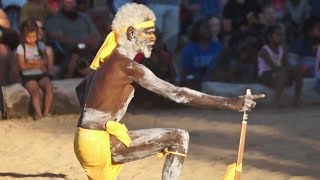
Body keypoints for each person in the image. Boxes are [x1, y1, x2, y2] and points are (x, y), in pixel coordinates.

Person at [73, 3, 264, 180]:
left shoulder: (109, 62)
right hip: (97, 144)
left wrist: (93, 124)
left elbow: (81, 89)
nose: (153, 38)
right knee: (178, 137)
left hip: (87, 141)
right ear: (131, 34)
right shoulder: (127, 66)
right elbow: (177, 93)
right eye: (148, 32)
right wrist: (230, 103)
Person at [44, 0, 101, 78]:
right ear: (60, 4)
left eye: (74, 2)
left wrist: (93, 41)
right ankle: (70, 75)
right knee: (77, 52)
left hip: (89, 48)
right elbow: (58, 39)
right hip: (68, 52)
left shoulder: (84, 17)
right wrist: (83, 41)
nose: (73, 5)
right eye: (69, 2)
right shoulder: (54, 20)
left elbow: (96, 34)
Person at [16, 19, 53, 119]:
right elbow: (22, 66)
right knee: (34, 90)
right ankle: (39, 115)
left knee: (49, 86)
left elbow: (46, 60)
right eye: (28, 37)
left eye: (34, 37)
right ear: (23, 36)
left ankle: (46, 113)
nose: (31, 39)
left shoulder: (40, 45)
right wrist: (38, 64)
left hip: (41, 74)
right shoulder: (21, 48)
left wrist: (31, 62)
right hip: (28, 76)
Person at [258, 25, 303, 107]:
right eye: (278, 34)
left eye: (282, 35)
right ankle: (276, 102)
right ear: (270, 37)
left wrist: (294, 70)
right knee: (282, 74)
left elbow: (286, 64)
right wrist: (288, 69)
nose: (281, 37)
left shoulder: (282, 49)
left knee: (297, 72)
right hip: (266, 75)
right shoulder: (264, 50)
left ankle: (296, 100)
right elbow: (273, 67)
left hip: (279, 73)